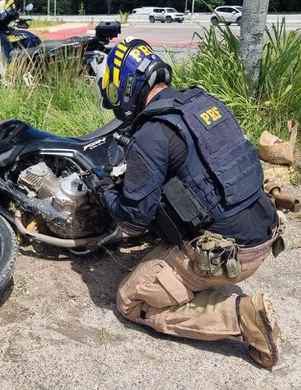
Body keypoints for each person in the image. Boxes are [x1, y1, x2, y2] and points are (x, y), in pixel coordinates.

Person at [95, 37, 287, 369]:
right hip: (267, 230)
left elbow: (133, 220)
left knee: (131, 300)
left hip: (230, 256)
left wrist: (103, 189)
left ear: (125, 88)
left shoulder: (152, 133)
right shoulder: (203, 103)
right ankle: (198, 284)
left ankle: (241, 318)